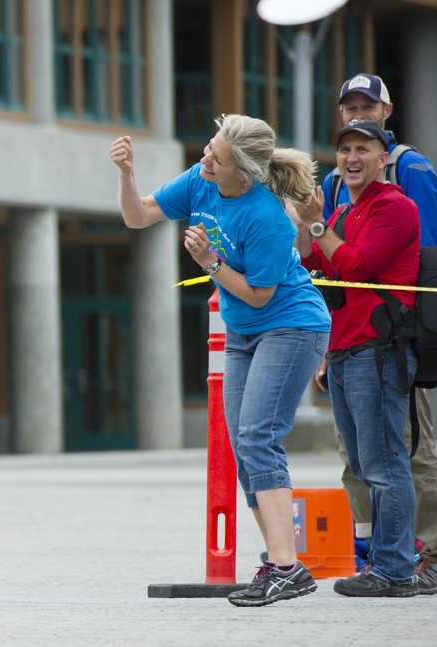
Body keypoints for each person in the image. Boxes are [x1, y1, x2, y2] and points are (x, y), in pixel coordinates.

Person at [110, 114, 330, 607]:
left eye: (218, 157)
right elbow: (138, 216)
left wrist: (211, 263)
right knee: (243, 444)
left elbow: (257, 294)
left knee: (257, 436)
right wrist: (126, 174)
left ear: (245, 172)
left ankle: (287, 567)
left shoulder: (266, 217)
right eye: (209, 147)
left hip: (291, 325)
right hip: (244, 333)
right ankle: (279, 563)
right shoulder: (201, 181)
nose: (206, 158)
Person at [317, 73, 437, 594]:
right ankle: (378, 554)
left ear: (387, 113)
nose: (358, 114)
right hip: (348, 339)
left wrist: (418, 332)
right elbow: (328, 266)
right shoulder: (335, 187)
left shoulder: (407, 173)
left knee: (407, 451)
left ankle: (433, 552)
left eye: (367, 108)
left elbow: (426, 253)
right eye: (349, 107)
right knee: (360, 457)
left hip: (392, 335)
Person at [296, 119, 419, 597]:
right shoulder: (345, 213)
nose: (350, 158)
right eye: (344, 148)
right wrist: (311, 231)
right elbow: (319, 269)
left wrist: (317, 225)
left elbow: (358, 267)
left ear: (382, 156)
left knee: (387, 462)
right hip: (345, 351)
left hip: (379, 352)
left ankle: (395, 570)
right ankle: (388, 566)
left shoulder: (396, 207)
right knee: (367, 465)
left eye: (361, 149)